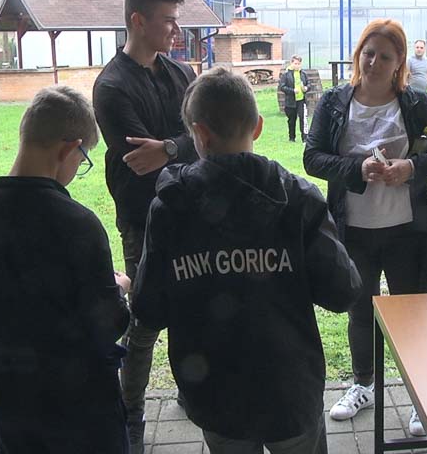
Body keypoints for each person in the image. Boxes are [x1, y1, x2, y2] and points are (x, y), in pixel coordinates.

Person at [132, 68, 361, 454]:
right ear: (257, 126)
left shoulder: (171, 207)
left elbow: (148, 307)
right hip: (290, 388)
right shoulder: (298, 198)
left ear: (199, 134)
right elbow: (344, 291)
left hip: (215, 394)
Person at [0, 85, 132, 454]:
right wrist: (118, 289)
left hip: (11, 397)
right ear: (68, 150)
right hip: (82, 399)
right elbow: (109, 323)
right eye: (83, 160)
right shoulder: (79, 225)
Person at [303, 19, 427, 437]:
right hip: (353, 229)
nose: (373, 62)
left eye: (384, 56)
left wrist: (411, 167)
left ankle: (418, 399)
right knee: (361, 310)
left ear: (399, 62)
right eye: (367, 53)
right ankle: (363, 385)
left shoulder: (415, 103)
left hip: (409, 231)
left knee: (414, 316)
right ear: (358, 54)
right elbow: (312, 158)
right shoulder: (335, 102)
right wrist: (357, 168)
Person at [93, 0, 199, 453]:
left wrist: (171, 147)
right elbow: (140, 160)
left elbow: (205, 134)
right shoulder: (111, 87)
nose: (176, 30)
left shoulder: (182, 74)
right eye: (168, 20)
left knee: (192, 311)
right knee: (144, 319)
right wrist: (186, 145)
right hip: (144, 220)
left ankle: (191, 391)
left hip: (192, 211)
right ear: (138, 20)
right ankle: (130, 411)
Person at [278, 55, 310, 142]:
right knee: (292, 120)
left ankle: (305, 138)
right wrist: (292, 91)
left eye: (299, 64)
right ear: (291, 63)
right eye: (295, 63)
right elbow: (282, 87)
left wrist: (306, 88)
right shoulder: (286, 74)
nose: (297, 65)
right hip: (290, 101)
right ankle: (292, 138)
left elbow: (308, 84)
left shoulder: (303, 74)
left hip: (301, 100)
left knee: (303, 119)